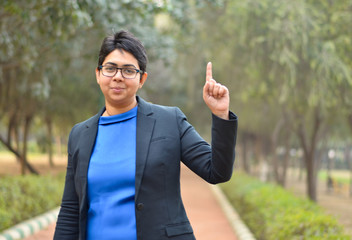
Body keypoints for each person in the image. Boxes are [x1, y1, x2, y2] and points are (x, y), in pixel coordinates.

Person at [54, 30, 238, 240]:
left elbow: (217, 171)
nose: (117, 77)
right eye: (110, 68)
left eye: (128, 70)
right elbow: (70, 209)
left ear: (142, 79)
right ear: (98, 74)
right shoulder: (80, 134)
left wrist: (221, 114)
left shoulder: (170, 121)